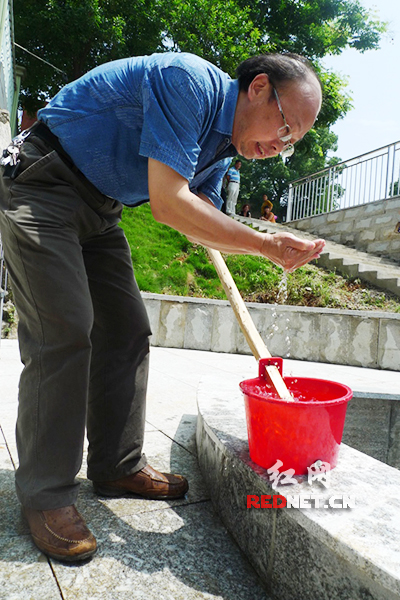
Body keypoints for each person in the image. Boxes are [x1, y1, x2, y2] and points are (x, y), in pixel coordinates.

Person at [0, 51, 324, 562]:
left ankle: (116, 465)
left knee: (128, 329)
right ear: (259, 87)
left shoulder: (221, 147)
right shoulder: (187, 83)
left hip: (101, 210)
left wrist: (251, 240)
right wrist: (263, 243)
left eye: (292, 144)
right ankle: (46, 495)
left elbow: (198, 219)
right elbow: (169, 202)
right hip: (43, 183)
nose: (279, 146)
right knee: (65, 330)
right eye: (285, 128)